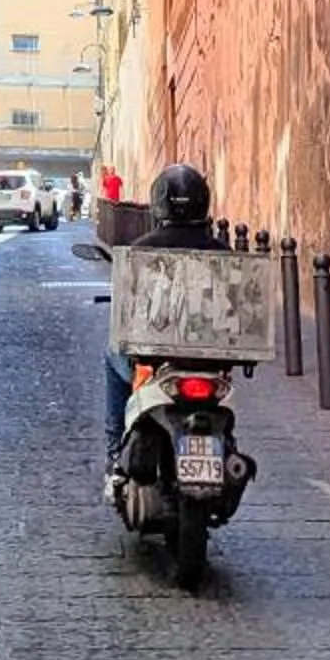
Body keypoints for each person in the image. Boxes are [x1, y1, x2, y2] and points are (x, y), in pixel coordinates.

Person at [103, 163, 223, 462]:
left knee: (111, 355)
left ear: (159, 203)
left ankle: (114, 450)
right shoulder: (222, 251)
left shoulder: (141, 250)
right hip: (210, 361)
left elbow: (133, 310)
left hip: (158, 361)